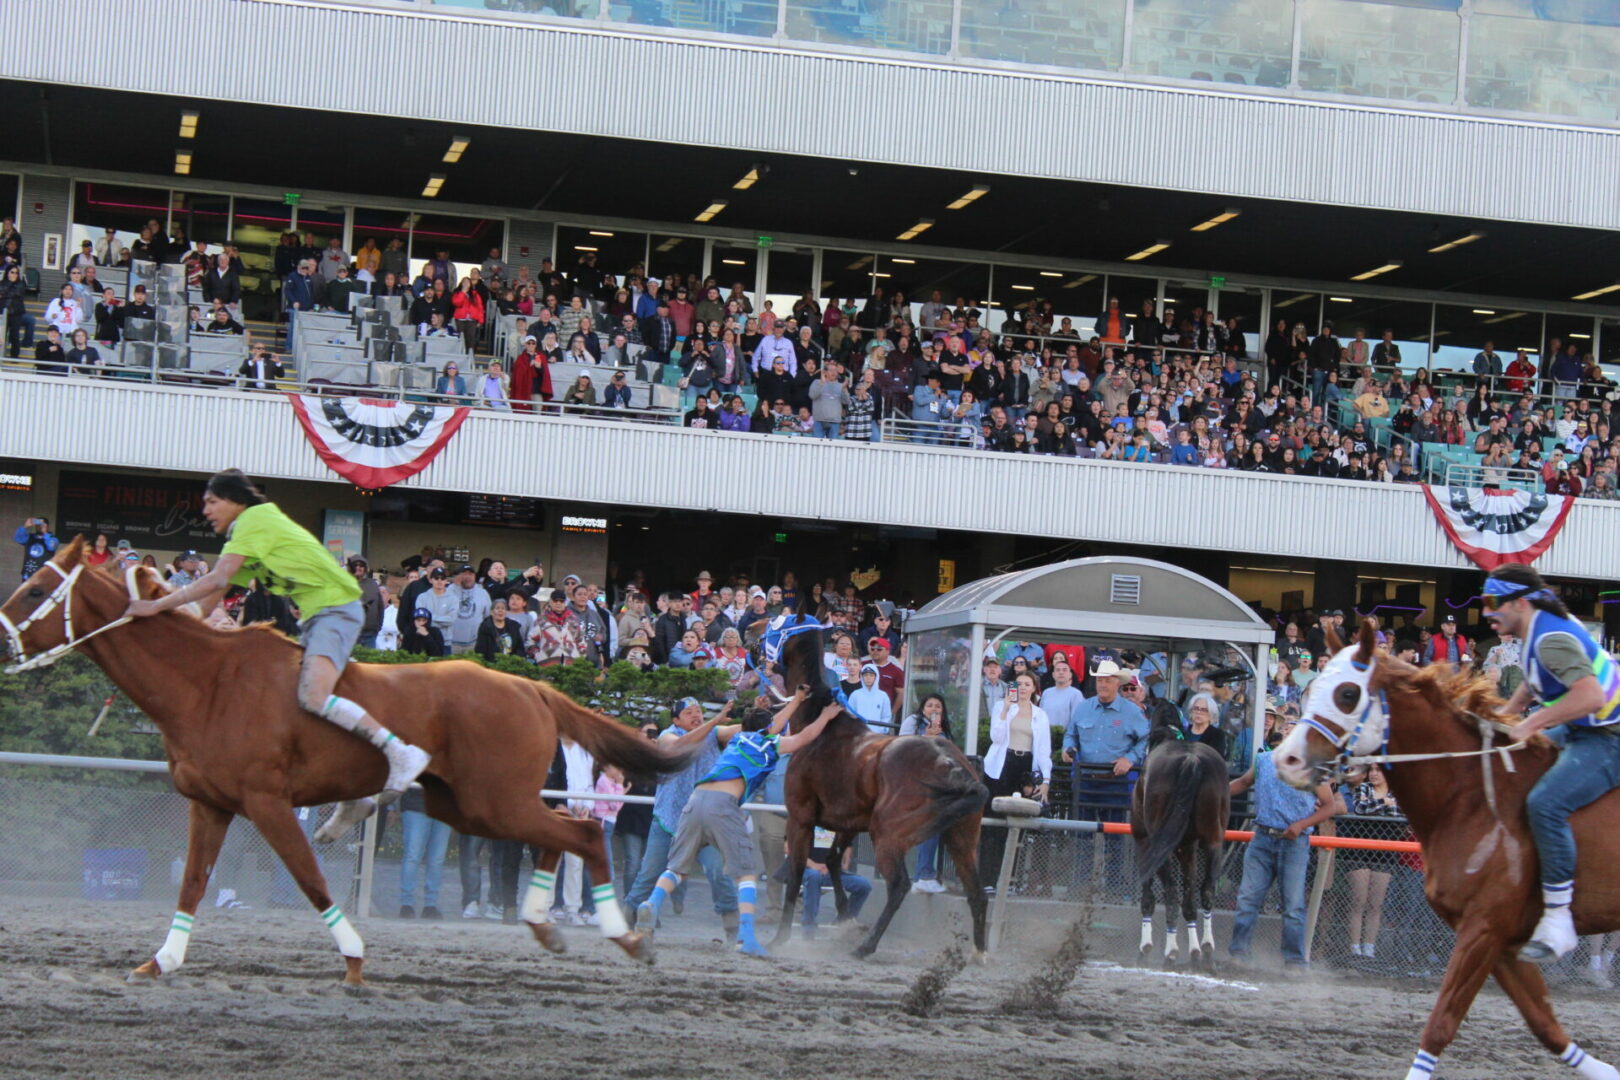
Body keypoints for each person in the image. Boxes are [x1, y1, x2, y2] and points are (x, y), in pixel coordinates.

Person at [122, 470, 431, 839]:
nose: (206, 511)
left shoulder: (253, 520)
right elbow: (207, 602)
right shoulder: (244, 534)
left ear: (235, 501)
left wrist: (156, 606)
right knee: (303, 708)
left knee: (313, 697)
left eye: (212, 502)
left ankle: (401, 754)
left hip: (335, 609)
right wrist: (162, 632)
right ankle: (355, 796)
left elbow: (216, 579)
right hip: (319, 616)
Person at [636, 691, 841, 956]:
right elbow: (804, 738)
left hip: (695, 801)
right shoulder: (769, 744)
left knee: (676, 868)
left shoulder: (738, 738)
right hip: (723, 805)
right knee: (745, 874)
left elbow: (772, 725)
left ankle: (652, 904)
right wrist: (825, 715)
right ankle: (746, 938)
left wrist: (797, 701)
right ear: (767, 729)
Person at [1486, 564, 1620, 962]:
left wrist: (1530, 724)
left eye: (1494, 602)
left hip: (1608, 737)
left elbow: (1591, 697)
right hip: (1585, 729)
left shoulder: (1550, 639)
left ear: (1520, 603)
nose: (1488, 611)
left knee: (1545, 804)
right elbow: (1537, 680)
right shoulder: (1538, 631)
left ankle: (1558, 920)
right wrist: (1505, 713)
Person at [1227, 736, 1344, 972]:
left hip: (1290, 840)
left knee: (1290, 905)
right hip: (1268, 837)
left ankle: (1292, 960)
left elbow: (1330, 805)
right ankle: (1248, 954)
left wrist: (1301, 825)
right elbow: (1243, 782)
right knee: (1252, 899)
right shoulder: (1264, 761)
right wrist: (1214, 792)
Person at [981, 670, 1052, 887]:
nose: (1022, 688)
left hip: (1025, 767)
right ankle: (987, 878)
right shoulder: (1001, 707)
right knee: (993, 822)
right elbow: (996, 737)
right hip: (1002, 765)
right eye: (1018, 684)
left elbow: (1043, 750)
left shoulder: (1040, 714)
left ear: (1034, 688)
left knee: (1018, 823)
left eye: (1027, 684)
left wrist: (1046, 780)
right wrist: (1005, 709)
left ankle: (1010, 881)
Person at [1336, 763, 1402, 964]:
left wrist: (1377, 804)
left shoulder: (1397, 791)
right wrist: (1384, 803)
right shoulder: (1363, 788)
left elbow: (1397, 812)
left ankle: (1369, 949)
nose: (1374, 774)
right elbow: (1360, 808)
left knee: (1376, 903)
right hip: (1359, 848)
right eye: (1371, 770)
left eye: (1378, 770)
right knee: (1358, 900)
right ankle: (1354, 948)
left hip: (1385, 849)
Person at [899, 693, 954, 892]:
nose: (934, 709)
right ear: (922, 708)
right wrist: (926, 738)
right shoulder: (913, 723)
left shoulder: (943, 730)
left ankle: (925, 873)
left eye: (938, 706)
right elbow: (901, 749)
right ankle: (923, 874)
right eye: (930, 705)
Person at [397, 782, 450, 919]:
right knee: (413, 856)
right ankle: (407, 904)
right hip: (416, 803)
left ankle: (430, 905)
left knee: (436, 859)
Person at [846, 661, 894, 733]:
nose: (868, 678)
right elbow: (850, 714)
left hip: (877, 735)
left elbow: (886, 716)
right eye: (866, 675)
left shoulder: (883, 696)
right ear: (862, 677)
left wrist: (881, 730)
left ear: (876, 677)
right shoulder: (855, 695)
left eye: (871, 675)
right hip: (859, 734)